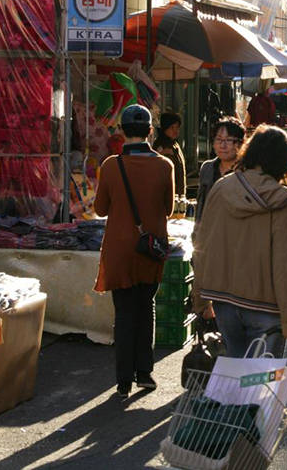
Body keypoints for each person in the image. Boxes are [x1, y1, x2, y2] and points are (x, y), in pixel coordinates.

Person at [193, 125, 287, 358]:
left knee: (234, 377)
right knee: (260, 385)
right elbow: (285, 264)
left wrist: (200, 298)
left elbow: (202, 244)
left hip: (224, 301)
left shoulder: (221, 187)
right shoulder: (281, 199)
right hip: (265, 305)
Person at [93, 105, 173, 397]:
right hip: (151, 249)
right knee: (146, 307)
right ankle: (145, 374)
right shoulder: (165, 165)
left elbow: (100, 209)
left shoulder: (111, 166)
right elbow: (169, 208)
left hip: (119, 250)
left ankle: (123, 380)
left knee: (124, 313)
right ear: (151, 131)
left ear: (122, 131)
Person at [196, 117, 245, 226]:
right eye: (218, 139)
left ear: (240, 144)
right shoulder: (207, 168)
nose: (223, 145)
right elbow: (200, 205)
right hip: (210, 233)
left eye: (228, 140)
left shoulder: (246, 171)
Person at [153, 112, 186, 199]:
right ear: (165, 128)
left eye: (177, 127)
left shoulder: (174, 143)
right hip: (167, 196)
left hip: (177, 194)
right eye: (172, 127)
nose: (176, 130)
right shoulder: (160, 144)